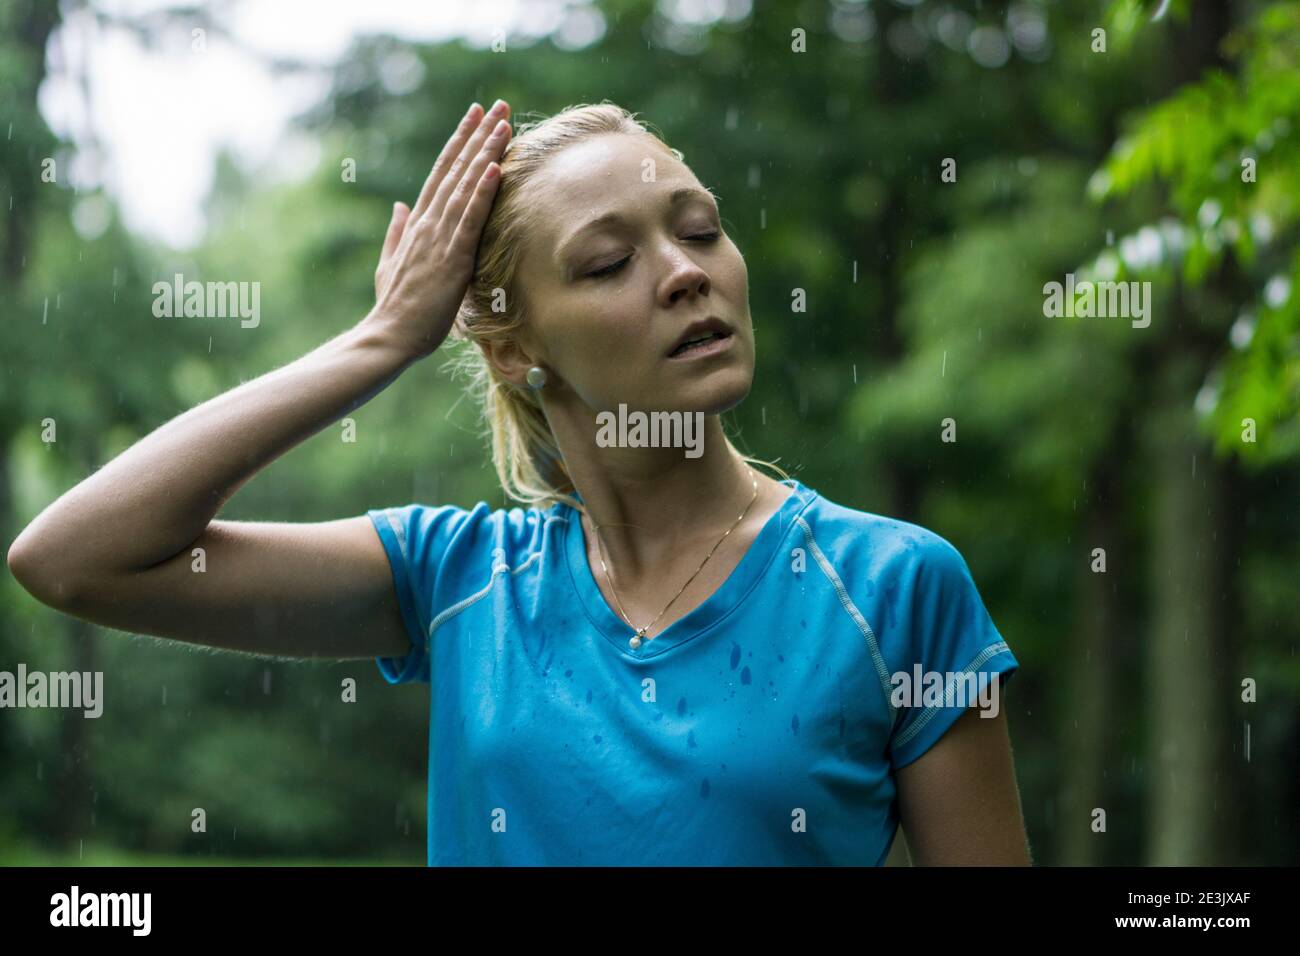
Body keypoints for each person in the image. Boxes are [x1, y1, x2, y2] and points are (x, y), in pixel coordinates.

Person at [8, 98, 1031, 866]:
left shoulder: (894, 588)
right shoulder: (453, 580)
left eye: (700, 226)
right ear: (515, 349)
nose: (684, 270)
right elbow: (71, 559)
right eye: (605, 262)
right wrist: (377, 343)